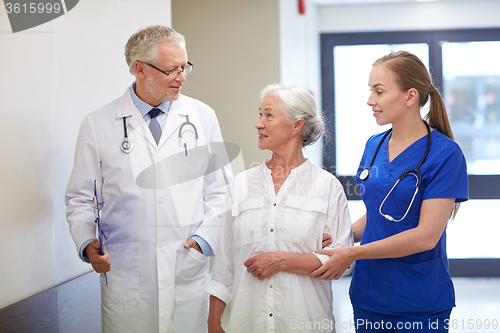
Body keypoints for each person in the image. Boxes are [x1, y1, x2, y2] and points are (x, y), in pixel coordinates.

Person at [65, 25, 232, 333]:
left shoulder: (202, 116)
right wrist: (88, 243)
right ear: (139, 69)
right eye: (172, 70)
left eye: (185, 67)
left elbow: (222, 192)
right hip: (127, 277)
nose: (182, 77)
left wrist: (202, 242)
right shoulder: (98, 124)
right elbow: (79, 197)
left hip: (187, 271)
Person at [311, 51, 468, 332]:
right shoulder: (374, 145)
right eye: (370, 90)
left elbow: (426, 236)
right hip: (370, 295)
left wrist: (352, 253)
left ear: (410, 96)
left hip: (419, 300)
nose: (370, 100)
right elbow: (380, 215)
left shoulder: (445, 154)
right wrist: (340, 234)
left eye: (379, 91)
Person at [205, 84, 354, 333]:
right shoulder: (241, 184)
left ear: (297, 125)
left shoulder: (327, 187)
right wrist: (213, 322)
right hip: (248, 323)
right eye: (260, 114)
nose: (259, 124)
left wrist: (282, 261)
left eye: (269, 115)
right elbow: (224, 265)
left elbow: (343, 263)